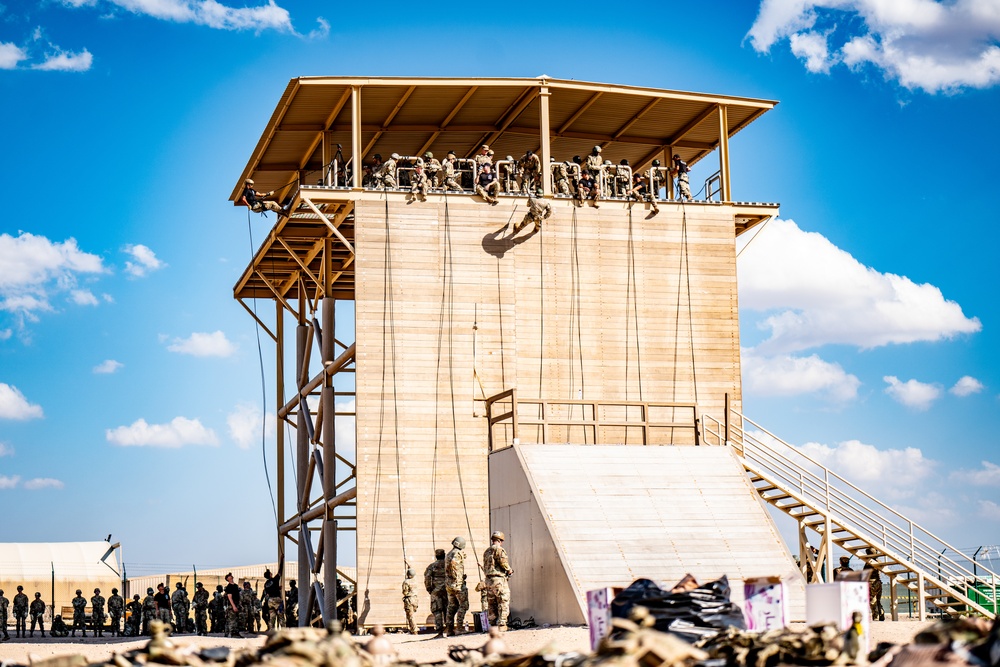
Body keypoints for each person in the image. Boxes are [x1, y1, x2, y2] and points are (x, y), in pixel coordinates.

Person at [482, 530, 514, 631]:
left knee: (491, 603)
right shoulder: (499, 550)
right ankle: (502, 625)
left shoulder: (487, 551)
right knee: (503, 601)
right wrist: (509, 570)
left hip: (488, 580)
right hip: (498, 580)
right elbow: (503, 563)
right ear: (500, 540)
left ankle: (492, 626)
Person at [445, 536, 468, 636]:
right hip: (457, 584)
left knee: (452, 606)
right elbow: (454, 566)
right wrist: (458, 578)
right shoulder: (456, 554)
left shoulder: (449, 553)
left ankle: (449, 629)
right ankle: (459, 628)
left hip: (449, 585)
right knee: (464, 605)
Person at [423, 548, 448, 638]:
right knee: (448, 610)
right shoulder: (448, 565)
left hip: (436, 591)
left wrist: (429, 589)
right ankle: (450, 630)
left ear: (436, 556)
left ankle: (440, 632)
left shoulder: (432, 566)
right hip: (447, 590)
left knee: (437, 611)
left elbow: (427, 578)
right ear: (444, 555)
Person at [864, 548, 886, 621]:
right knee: (878, 600)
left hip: (871, 582)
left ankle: (876, 616)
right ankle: (881, 612)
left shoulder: (869, 562)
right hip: (878, 582)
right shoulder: (879, 561)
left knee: (872, 601)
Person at [263, 564, 282, 632]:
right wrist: (282, 560)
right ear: (270, 575)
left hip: (270, 601)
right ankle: (283, 631)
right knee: (281, 616)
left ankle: (271, 631)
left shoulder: (266, 584)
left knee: (272, 617)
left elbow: (269, 590)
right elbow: (280, 572)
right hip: (276, 599)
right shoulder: (275, 580)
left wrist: (277, 588)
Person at [224, 573, 242, 638]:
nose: (231, 576)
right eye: (229, 576)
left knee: (237, 619)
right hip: (232, 605)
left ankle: (236, 633)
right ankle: (231, 633)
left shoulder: (235, 586)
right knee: (232, 619)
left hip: (237, 603)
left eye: (231, 575)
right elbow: (229, 597)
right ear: (227, 579)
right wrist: (233, 606)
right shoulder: (229, 587)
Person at [401, 567, 419, 635]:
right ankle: (413, 629)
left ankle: (414, 630)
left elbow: (404, 592)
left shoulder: (406, 582)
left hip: (409, 599)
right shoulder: (415, 580)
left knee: (410, 615)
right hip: (415, 599)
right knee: (413, 614)